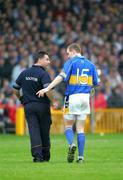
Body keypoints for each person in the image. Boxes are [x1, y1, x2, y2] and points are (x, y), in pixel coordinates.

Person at [37, 43, 100, 163]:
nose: (67, 56)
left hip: (72, 97)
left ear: (73, 51)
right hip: (85, 98)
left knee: (68, 125)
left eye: (68, 53)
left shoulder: (71, 62)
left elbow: (61, 77)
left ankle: (71, 144)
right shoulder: (91, 64)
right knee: (81, 128)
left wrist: (48, 88)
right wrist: (90, 88)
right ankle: (81, 158)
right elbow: (97, 82)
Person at [13, 51, 53, 162]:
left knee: (34, 130)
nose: (49, 62)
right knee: (44, 130)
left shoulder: (24, 73)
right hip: (42, 106)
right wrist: (53, 101)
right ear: (39, 60)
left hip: (29, 106)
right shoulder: (43, 74)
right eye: (47, 59)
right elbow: (48, 90)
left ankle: (37, 156)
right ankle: (45, 155)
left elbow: (15, 89)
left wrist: (21, 99)